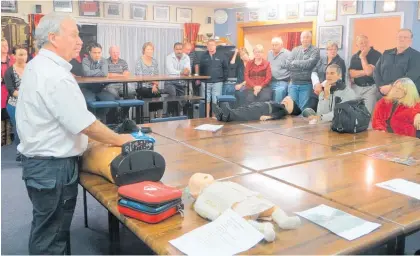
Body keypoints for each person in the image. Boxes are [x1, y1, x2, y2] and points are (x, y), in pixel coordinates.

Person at [15, 13, 133, 255]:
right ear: (53, 38)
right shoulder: (54, 74)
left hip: (43, 166)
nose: (79, 41)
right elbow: (84, 124)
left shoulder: (39, 65)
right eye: (74, 34)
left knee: (50, 230)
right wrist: (121, 140)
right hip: (52, 168)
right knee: (52, 236)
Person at [374, 29, 420, 96]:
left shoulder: (417, 56)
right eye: (400, 37)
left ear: (410, 40)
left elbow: (411, 77)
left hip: (404, 96)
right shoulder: (386, 53)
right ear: (396, 38)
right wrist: (381, 87)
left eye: (405, 37)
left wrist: (391, 87)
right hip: (383, 93)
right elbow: (376, 72)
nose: (402, 39)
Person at [81, 42, 118, 122]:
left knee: (111, 99)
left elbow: (104, 73)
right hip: (87, 88)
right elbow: (86, 73)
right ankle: (92, 121)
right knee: (89, 101)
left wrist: (93, 72)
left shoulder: (104, 61)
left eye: (99, 52)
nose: (97, 55)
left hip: (100, 89)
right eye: (94, 53)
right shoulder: (85, 60)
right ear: (90, 53)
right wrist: (99, 70)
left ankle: (100, 117)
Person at [4, 45, 28, 161]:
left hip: (30, 104)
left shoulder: (31, 68)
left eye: (25, 54)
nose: (23, 57)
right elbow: (12, 91)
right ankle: (20, 151)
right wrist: (28, 94)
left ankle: (28, 150)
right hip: (14, 104)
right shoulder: (9, 72)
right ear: (13, 56)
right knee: (19, 128)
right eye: (20, 54)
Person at [287, 31, 320, 111]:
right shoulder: (295, 50)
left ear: (310, 38)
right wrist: (303, 65)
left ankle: (301, 124)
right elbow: (288, 64)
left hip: (306, 85)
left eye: (307, 37)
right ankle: (293, 124)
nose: (305, 39)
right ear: (300, 39)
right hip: (293, 84)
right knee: (292, 109)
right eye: (303, 37)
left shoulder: (315, 50)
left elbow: (310, 64)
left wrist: (295, 62)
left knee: (303, 109)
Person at [349, 35, 382, 114]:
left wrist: (363, 57)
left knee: (368, 114)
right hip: (356, 88)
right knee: (353, 113)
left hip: (371, 88)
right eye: (361, 43)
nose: (363, 44)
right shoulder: (354, 56)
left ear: (369, 43)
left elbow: (369, 72)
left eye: (365, 42)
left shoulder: (377, 55)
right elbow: (351, 74)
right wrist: (365, 71)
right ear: (357, 45)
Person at [212, 96, 301, 122]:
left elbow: (278, 114)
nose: (285, 100)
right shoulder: (278, 103)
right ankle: (221, 116)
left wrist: (269, 117)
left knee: (244, 113)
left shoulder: (283, 110)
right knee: (243, 109)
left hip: (261, 111)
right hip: (259, 106)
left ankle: (228, 114)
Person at [199, 39, 228, 117]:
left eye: (212, 45)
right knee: (206, 100)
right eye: (209, 45)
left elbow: (226, 68)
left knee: (215, 101)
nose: (211, 47)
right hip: (205, 82)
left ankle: (214, 117)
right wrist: (201, 79)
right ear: (207, 47)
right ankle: (207, 117)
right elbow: (200, 68)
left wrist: (223, 79)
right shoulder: (203, 56)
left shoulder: (222, 56)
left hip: (218, 82)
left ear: (215, 46)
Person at [135, 42, 163, 118]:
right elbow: (140, 77)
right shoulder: (139, 61)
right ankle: (152, 119)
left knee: (157, 93)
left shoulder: (154, 61)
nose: (150, 51)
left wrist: (154, 85)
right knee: (152, 93)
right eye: (148, 49)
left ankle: (159, 119)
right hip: (141, 86)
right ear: (144, 50)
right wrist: (152, 81)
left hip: (152, 86)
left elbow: (156, 76)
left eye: (151, 49)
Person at [164, 42, 191, 115]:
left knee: (183, 99)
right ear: (174, 49)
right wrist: (182, 72)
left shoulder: (186, 57)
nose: (179, 51)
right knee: (173, 93)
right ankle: (170, 114)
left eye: (180, 49)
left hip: (181, 82)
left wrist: (187, 71)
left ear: (182, 49)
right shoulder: (169, 57)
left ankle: (179, 115)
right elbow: (170, 71)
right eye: (177, 49)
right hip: (169, 82)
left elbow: (188, 69)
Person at [268, 37, 291, 102]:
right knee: (264, 94)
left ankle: (278, 110)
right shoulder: (269, 53)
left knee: (279, 92)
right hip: (270, 81)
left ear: (281, 45)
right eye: (272, 45)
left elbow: (292, 69)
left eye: (276, 45)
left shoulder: (288, 54)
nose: (274, 47)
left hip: (282, 82)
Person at [1, 38, 14, 146]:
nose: (5, 47)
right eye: (3, 45)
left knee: (9, 113)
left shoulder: (12, 59)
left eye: (6, 45)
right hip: (1, 90)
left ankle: (9, 138)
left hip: (10, 90)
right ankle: (1, 138)